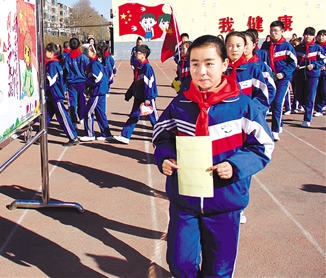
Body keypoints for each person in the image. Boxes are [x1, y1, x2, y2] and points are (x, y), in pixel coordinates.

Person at [153, 35, 273, 278]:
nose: (201, 71)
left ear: (225, 65)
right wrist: (164, 157)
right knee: (180, 264)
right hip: (185, 200)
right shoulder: (181, 104)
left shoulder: (242, 106)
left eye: (209, 63)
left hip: (224, 202)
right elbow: (162, 136)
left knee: (218, 271)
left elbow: (263, 146)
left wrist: (235, 165)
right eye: (195, 63)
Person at [113, 45, 158, 145]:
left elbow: (149, 84)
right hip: (139, 96)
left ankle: (162, 136)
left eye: (138, 52)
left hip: (147, 97)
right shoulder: (138, 67)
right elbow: (136, 82)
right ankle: (125, 136)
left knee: (153, 118)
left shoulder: (147, 68)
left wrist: (148, 98)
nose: (135, 54)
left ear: (144, 55)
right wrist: (129, 93)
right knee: (134, 116)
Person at [226, 31, 275, 117]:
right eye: (230, 45)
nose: (234, 49)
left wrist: (253, 111)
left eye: (238, 46)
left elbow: (263, 94)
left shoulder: (253, 69)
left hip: (249, 117)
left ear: (244, 47)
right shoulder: (221, 70)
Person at [43, 43, 80, 147]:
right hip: (52, 95)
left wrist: (42, 87)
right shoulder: (57, 63)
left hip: (55, 95)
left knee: (63, 116)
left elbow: (50, 81)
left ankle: (73, 137)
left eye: (46, 51)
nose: (45, 53)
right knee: (46, 116)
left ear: (51, 53)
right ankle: (40, 135)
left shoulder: (52, 64)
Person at [267, 21, 297, 141]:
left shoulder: (287, 46)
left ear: (282, 31)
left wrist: (283, 73)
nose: (273, 33)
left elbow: (293, 63)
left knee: (278, 103)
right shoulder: (266, 46)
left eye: (276, 31)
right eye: (271, 31)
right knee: (271, 103)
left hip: (282, 80)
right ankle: (279, 124)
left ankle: (275, 130)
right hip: (270, 79)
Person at [79, 44, 113, 142]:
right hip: (100, 91)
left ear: (94, 53)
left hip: (97, 92)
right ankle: (106, 134)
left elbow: (97, 80)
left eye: (88, 50)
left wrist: (86, 81)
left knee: (88, 112)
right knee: (100, 113)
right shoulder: (95, 63)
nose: (86, 52)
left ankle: (90, 134)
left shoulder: (94, 64)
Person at [293, 27, 325, 127]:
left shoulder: (317, 48)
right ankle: (307, 107)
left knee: (310, 96)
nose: (308, 37)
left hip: (313, 76)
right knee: (298, 95)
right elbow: (293, 60)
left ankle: (307, 118)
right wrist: (296, 65)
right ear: (303, 35)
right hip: (300, 75)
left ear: (313, 36)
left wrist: (314, 65)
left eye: (310, 35)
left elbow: (323, 60)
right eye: (306, 34)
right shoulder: (298, 48)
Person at [64, 37, 90, 125]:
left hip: (71, 83)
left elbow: (65, 70)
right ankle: (81, 117)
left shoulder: (67, 58)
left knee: (72, 102)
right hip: (81, 82)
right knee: (82, 101)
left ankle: (73, 120)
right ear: (79, 45)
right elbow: (88, 68)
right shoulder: (83, 57)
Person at [314, 29, 326, 116]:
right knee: (318, 90)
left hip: (325, 72)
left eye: (323, 36)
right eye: (319, 35)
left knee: (324, 90)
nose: (321, 37)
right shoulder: (315, 46)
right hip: (316, 71)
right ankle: (319, 109)